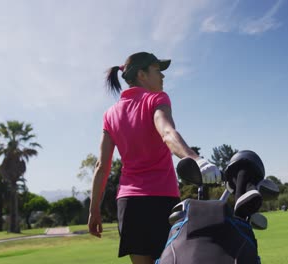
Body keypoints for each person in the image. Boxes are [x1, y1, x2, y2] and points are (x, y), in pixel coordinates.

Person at [88, 52, 221, 264]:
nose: (162, 77)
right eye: (157, 71)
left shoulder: (110, 114)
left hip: (129, 205)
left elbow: (101, 166)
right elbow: (167, 133)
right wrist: (196, 159)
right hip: (161, 201)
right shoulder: (157, 99)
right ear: (142, 74)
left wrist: (94, 210)